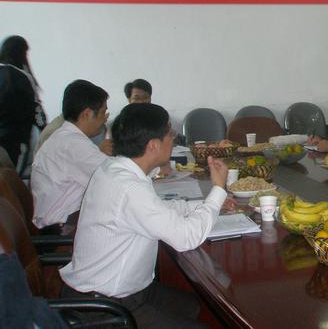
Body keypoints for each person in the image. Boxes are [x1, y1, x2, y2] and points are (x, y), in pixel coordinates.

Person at [60, 103, 228, 328]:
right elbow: (186, 237)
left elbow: (157, 210)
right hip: (104, 307)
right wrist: (218, 190)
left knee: (195, 307)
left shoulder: (115, 169)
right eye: (170, 133)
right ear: (153, 145)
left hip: (122, 291)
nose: (173, 139)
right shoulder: (130, 187)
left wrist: (205, 205)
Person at [31, 80, 111, 230]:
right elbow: (114, 176)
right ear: (87, 114)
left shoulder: (66, 137)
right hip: (63, 229)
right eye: (102, 112)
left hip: (63, 220)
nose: (104, 119)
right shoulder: (73, 144)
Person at [0, 35, 46, 166]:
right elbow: (37, 111)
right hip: (15, 141)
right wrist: (47, 132)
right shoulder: (22, 77)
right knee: (12, 176)